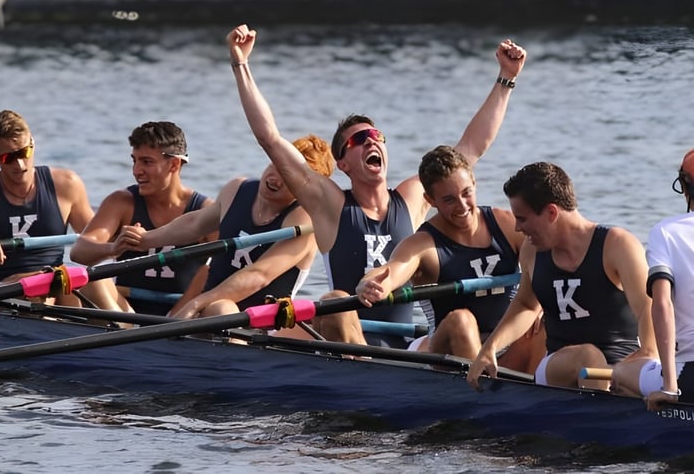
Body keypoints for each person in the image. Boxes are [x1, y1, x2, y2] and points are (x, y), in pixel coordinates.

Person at [227, 23, 527, 347]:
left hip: (404, 347)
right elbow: (270, 139)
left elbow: (471, 148)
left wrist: (506, 79)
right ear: (342, 164)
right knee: (336, 298)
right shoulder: (330, 205)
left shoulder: (412, 197)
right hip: (350, 341)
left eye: (376, 135)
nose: (372, 141)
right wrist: (240, 64)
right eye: (359, 139)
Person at [467, 162, 657, 392]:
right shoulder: (532, 250)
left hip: (623, 362)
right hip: (559, 365)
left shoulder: (617, 245)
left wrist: (647, 355)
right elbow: (527, 305)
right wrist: (489, 348)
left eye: (522, 218)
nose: (517, 228)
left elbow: (649, 309)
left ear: (551, 212)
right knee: (588, 357)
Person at [355, 145, 545, 373]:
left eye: (466, 193)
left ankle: (548, 397)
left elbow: (545, 262)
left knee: (546, 319)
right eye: (449, 200)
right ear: (430, 200)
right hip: (448, 352)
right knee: (461, 321)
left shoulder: (506, 224)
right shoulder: (424, 244)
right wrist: (371, 283)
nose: (462, 206)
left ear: (474, 182)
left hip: (502, 345)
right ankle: (484, 392)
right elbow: (393, 270)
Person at [0, 109, 131, 312]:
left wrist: (119, 243)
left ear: (32, 143)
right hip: (5, 289)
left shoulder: (66, 184)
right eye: (8, 158)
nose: (20, 165)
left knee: (95, 281)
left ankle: (122, 329)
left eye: (24, 153)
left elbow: (93, 240)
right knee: (40, 291)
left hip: (56, 281)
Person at [132, 135, 333, 320]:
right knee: (219, 308)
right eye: (275, 166)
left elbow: (259, 275)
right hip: (207, 314)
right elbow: (194, 224)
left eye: (288, 176)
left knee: (222, 308)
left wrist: (197, 302)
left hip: (263, 325)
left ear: (306, 188)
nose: (275, 178)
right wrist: (145, 239)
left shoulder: (304, 221)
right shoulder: (238, 189)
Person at [69, 121, 215, 315]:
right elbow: (79, 251)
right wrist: (113, 248)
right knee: (92, 280)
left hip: (182, 315)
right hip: (125, 310)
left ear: (174, 164)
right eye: (134, 160)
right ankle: (124, 332)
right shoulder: (121, 202)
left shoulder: (204, 210)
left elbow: (219, 270)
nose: (136, 171)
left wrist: (175, 319)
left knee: (211, 277)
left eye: (147, 162)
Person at [611, 148, 694, 408]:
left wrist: (670, 387)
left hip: (688, 375)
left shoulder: (667, 233)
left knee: (620, 374)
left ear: (683, 186)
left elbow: (662, 304)